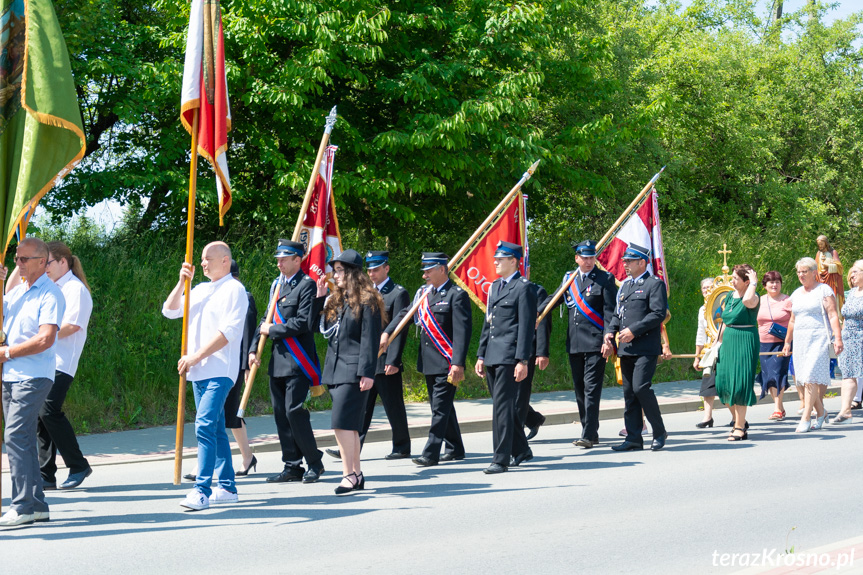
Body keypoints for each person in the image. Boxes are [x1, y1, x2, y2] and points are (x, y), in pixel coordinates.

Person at [162, 241, 249, 510]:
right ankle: (227, 487)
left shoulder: (235, 290)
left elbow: (228, 332)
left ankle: (201, 490)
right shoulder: (199, 289)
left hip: (219, 369)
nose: (202, 263)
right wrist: (181, 282)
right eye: (201, 259)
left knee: (203, 425)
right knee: (215, 428)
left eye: (207, 258)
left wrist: (196, 356)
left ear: (225, 260)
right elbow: (170, 310)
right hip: (197, 371)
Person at [7, 241, 93, 491]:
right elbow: (11, 293)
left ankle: (78, 465)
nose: (45, 268)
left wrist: (41, 335)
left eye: (49, 263)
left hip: (62, 361)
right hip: (43, 360)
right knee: (39, 416)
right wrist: (16, 265)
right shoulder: (45, 287)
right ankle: (46, 474)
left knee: (48, 410)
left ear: (63, 262)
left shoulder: (74, 289)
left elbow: (73, 325)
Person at [383, 252, 472, 467]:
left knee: (439, 409)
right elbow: (405, 313)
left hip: (447, 361)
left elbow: (462, 333)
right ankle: (455, 448)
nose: (424, 276)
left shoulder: (456, 295)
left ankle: (431, 453)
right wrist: (387, 332)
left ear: (442, 269)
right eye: (424, 271)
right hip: (429, 362)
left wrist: (458, 363)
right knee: (442, 406)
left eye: (428, 271)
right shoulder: (424, 293)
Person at [0, 238, 65, 528]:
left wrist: (8, 352)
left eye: (25, 259)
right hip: (10, 375)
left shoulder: (51, 294)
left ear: (42, 261)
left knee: (14, 436)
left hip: (34, 375)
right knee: (22, 439)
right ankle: (37, 505)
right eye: (17, 258)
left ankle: (22, 505)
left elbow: (45, 338)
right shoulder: (16, 293)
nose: (19, 263)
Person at [249, 240, 325, 484]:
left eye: (284, 259)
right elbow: (265, 319)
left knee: (295, 412)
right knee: (281, 414)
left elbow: (303, 323)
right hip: (278, 361)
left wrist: (272, 330)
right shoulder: (276, 286)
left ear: (297, 259)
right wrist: (253, 349)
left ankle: (314, 462)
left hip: (298, 361)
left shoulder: (307, 285)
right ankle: (292, 465)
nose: (279, 263)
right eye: (278, 259)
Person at [326, 250, 411, 460]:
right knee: (362, 409)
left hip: (384, 359)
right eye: (370, 269)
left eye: (376, 269)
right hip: (364, 361)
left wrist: (393, 360)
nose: (372, 273)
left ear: (386, 268)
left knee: (393, 405)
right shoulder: (357, 293)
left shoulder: (397, 293)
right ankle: (354, 447)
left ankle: (401, 445)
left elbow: (400, 328)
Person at [315, 249, 384, 494]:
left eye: (340, 270)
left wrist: (367, 372)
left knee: (341, 424)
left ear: (353, 272)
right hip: (334, 369)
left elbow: (370, 340)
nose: (336, 274)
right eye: (335, 270)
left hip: (354, 371)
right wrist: (319, 297)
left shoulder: (368, 299)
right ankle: (356, 473)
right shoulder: (338, 299)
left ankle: (348, 474)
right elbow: (317, 327)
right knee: (350, 426)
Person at [185, 259, 258, 481]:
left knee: (224, 416)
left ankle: (233, 462)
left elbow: (247, 332)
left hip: (231, 363)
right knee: (219, 418)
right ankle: (234, 465)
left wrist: (246, 365)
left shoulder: (241, 295)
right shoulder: (214, 295)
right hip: (212, 363)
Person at [540, 240, 617, 448]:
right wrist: (536, 312)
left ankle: (588, 434)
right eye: (585, 258)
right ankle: (590, 430)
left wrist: (609, 338)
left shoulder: (604, 279)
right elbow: (554, 299)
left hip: (595, 343)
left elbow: (611, 312)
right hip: (574, 343)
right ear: (577, 259)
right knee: (580, 389)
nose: (589, 261)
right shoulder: (569, 279)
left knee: (592, 389)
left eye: (592, 257)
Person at [475, 241, 536, 474]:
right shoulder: (495, 287)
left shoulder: (523, 288)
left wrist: (522, 360)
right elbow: (488, 323)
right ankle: (521, 449)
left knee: (501, 408)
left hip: (510, 356)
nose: (495, 263)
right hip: (492, 354)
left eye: (500, 259)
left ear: (513, 261)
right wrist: (481, 354)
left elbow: (526, 327)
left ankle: (500, 458)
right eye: (495, 259)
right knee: (504, 407)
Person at [602, 243, 668, 452]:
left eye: (629, 261)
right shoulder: (626, 286)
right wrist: (609, 332)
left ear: (642, 262)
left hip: (645, 347)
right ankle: (633, 438)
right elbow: (617, 313)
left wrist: (634, 330)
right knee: (629, 392)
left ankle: (659, 432)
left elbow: (658, 313)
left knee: (641, 388)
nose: (626, 265)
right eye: (625, 261)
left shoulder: (654, 284)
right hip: (626, 348)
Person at [782, 257, 843, 433]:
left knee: (810, 377)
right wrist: (787, 342)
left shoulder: (824, 290)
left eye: (805, 271)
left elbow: (833, 315)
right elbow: (792, 320)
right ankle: (822, 412)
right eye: (799, 272)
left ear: (814, 272)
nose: (801, 275)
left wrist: (837, 338)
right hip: (800, 340)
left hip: (818, 338)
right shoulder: (796, 293)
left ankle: (806, 417)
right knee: (804, 379)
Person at [714, 265, 760, 441]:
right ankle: (738, 419)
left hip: (745, 339)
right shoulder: (729, 296)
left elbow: (747, 301)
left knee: (740, 384)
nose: (731, 281)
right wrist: (716, 344)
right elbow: (725, 321)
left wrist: (754, 283)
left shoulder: (753, 296)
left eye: (735, 278)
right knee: (723, 384)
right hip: (728, 341)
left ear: (747, 281)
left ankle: (739, 426)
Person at [519, 269, 551, 442]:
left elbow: (543, 321)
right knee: (501, 394)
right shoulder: (499, 289)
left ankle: (515, 437)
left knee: (520, 393)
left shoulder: (536, 291)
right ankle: (533, 418)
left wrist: (542, 352)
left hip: (527, 350)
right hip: (504, 350)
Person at [756, 271, 792, 421]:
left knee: (777, 372)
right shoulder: (759, 300)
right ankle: (780, 407)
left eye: (777, 282)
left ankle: (777, 408)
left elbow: (794, 321)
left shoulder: (788, 301)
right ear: (765, 285)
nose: (774, 285)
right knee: (768, 375)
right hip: (763, 343)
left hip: (781, 343)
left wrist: (788, 343)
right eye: (771, 282)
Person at [834, 260, 863, 424]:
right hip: (849, 339)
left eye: (856, 271)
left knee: (851, 374)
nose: (852, 275)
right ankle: (845, 411)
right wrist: (840, 337)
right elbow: (845, 317)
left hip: (861, 337)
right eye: (852, 272)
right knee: (848, 374)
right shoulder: (851, 293)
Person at [693, 278, 716, 427]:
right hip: (708, 351)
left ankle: (738, 418)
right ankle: (707, 417)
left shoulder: (722, 305)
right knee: (707, 384)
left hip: (724, 348)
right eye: (704, 288)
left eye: (710, 287)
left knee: (726, 385)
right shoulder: (702, 309)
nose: (706, 290)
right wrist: (697, 356)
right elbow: (700, 333)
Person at [816, 235, 844, 315]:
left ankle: (835, 315)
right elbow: (815, 265)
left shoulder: (833, 252)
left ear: (826, 243)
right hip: (820, 279)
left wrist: (828, 266)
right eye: (819, 244)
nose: (820, 246)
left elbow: (839, 267)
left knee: (832, 296)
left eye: (821, 244)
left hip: (831, 279)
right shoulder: (818, 253)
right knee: (822, 298)